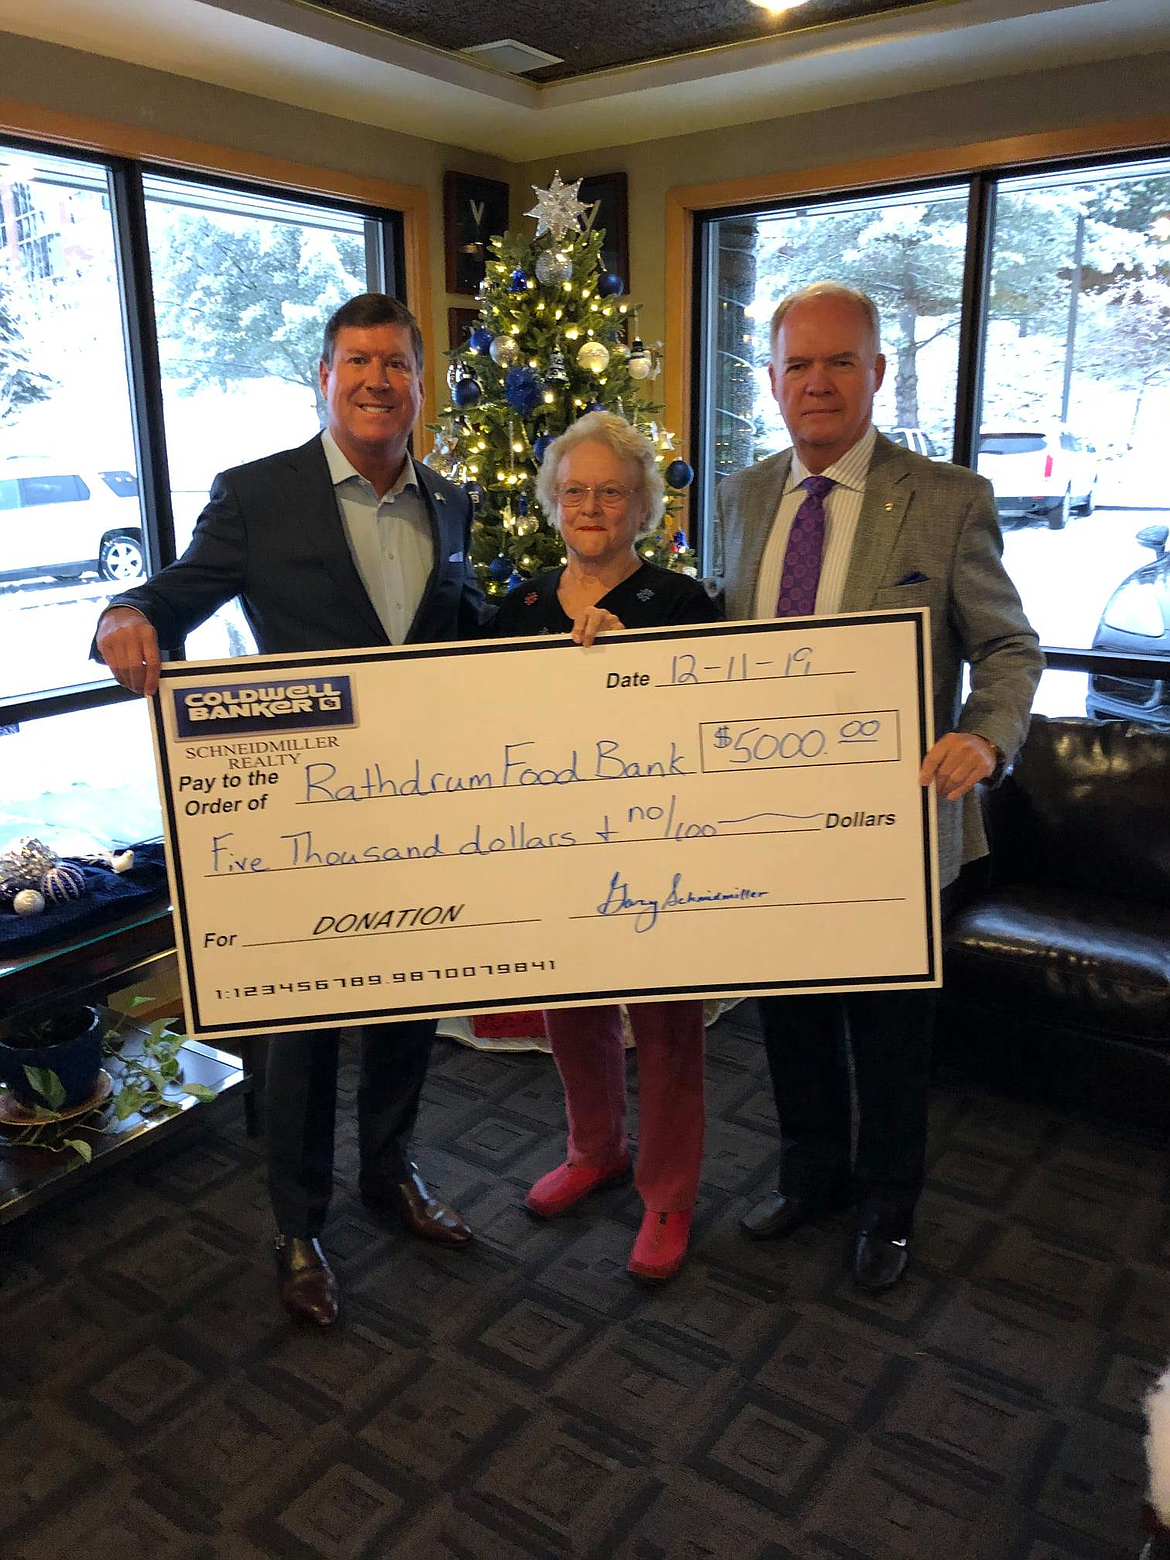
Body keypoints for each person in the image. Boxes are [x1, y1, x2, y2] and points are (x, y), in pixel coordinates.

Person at [94, 293, 487, 1327]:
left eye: (396, 364)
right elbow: (172, 595)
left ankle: (389, 1174)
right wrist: (123, 612)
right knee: (308, 1030)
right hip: (303, 817)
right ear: (324, 377)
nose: (376, 381)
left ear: (418, 384)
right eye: (357, 362)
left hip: (418, 810)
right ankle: (299, 1225)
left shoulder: (452, 504)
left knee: (411, 1000)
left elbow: (465, 634)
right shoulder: (257, 494)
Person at [715, 281, 1043, 1290]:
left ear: (878, 373)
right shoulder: (744, 495)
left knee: (891, 1039)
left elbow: (1009, 647)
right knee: (792, 1020)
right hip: (772, 825)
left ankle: (890, 1207)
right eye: (797, 365)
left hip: (895, 830)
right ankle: (811, 1174)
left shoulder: (947, 500)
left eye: (839, 362)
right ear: (771, 381)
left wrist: (984, 738)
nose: (817, 384)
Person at [489, 411, 721, 1282]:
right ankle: (596, 1151)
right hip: (549, 844)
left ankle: (667, 1193)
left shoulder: (682, 602)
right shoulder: (515, 605)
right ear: (553, 503)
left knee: (666, 1021)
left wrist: (643, 664)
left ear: (643, 506)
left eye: (612, 491)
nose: (592, 506)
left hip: (655, 846)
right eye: (575, 490)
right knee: (569, 1008)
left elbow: (711, 721)